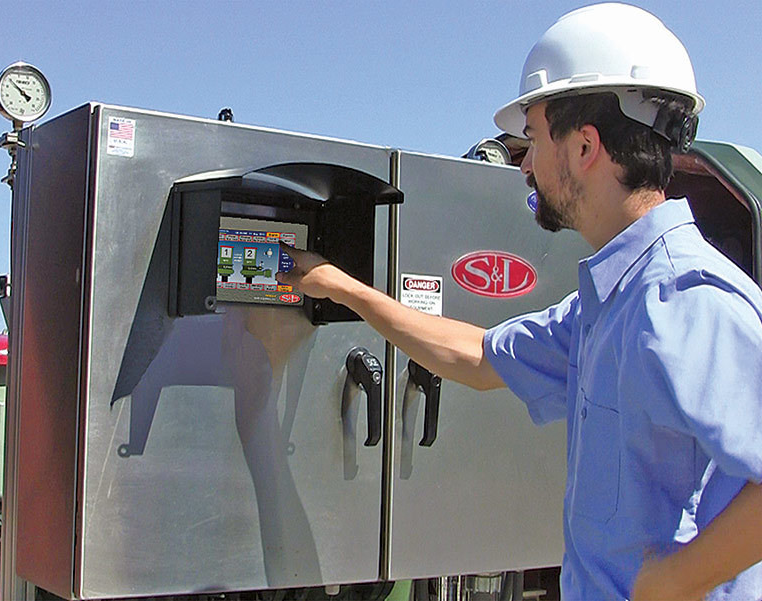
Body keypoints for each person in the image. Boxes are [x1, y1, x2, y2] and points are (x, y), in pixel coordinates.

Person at [277, 4, 762, 599]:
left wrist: (668, 584)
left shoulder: (686, 298)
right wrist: (340, 287)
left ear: (584, 147)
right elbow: (479, 356)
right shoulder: (607, 304)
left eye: (532, 140)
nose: (525, 164)